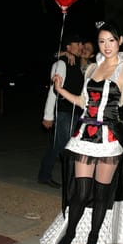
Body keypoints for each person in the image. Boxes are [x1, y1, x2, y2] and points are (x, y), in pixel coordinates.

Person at [40, 21, 123, 244]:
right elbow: (83, 101)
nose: (106, 46)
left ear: (120, 41)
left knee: (101, 193)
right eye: (102, 41)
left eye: (111, 41)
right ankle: (71, 231)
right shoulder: (92, 67)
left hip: (110, 139)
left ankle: (94, 237)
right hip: (85, 135)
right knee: (80, 192)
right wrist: (59, 89)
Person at [37, 35, 84, 188]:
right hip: (64, 112)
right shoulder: (62, 63)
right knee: (67, 147)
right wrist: (48, 115)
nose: (80, 46)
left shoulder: (77, 64)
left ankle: (44, 175)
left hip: (74, 112)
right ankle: (73, 181)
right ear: (68, 47)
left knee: (57, 146)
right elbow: (53, 90)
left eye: (81, 43)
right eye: (77, 43)